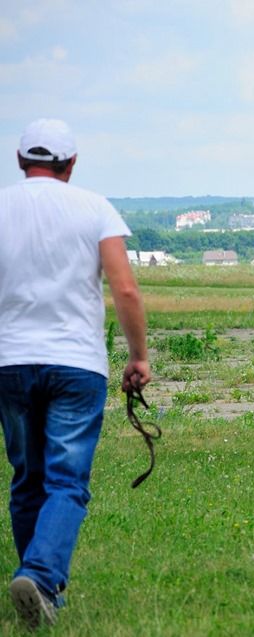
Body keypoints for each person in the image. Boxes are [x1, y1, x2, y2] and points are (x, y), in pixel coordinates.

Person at [0, 119, 150, 629]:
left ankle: (40, 589)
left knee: (27, 479)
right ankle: (40, 575)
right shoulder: (93, 207)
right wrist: (138, 356)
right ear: (71, 165)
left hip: (10, 361)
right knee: (67, 482)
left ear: (21, 161)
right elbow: (125, 289)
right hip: (76, 363)